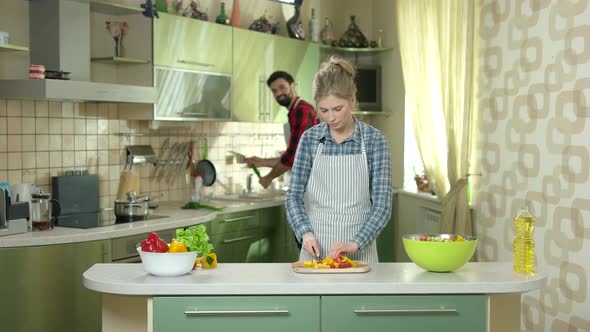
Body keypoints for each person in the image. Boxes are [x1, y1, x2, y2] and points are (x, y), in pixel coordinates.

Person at [285, 56, 392, 264]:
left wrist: (355, 243)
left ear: (352, 99)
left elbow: (382, 205)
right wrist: (305, 234)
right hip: (315, 251)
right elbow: (293, 197)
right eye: (323, 110)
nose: (331, 118)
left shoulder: (374, 141)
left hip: (360, 252)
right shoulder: (310, 139)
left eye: (338, 109)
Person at [245, 71, 318, 189]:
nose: (278, 93)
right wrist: (263, 162)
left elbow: (294, 156)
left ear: (292, 86)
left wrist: (269, 177)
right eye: (274, 91)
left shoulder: (302, 111)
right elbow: (292, 157)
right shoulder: (295, 112)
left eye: (282, 87)